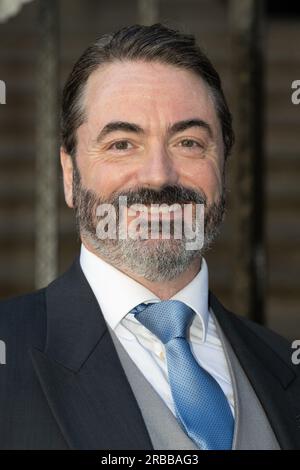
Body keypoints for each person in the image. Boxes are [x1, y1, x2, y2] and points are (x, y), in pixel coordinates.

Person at [0, 23, 299, 450]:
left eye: (189, 142)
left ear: (223, 168)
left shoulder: (282, 365)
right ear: (69, 175)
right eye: (123, 143)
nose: (159, 175)